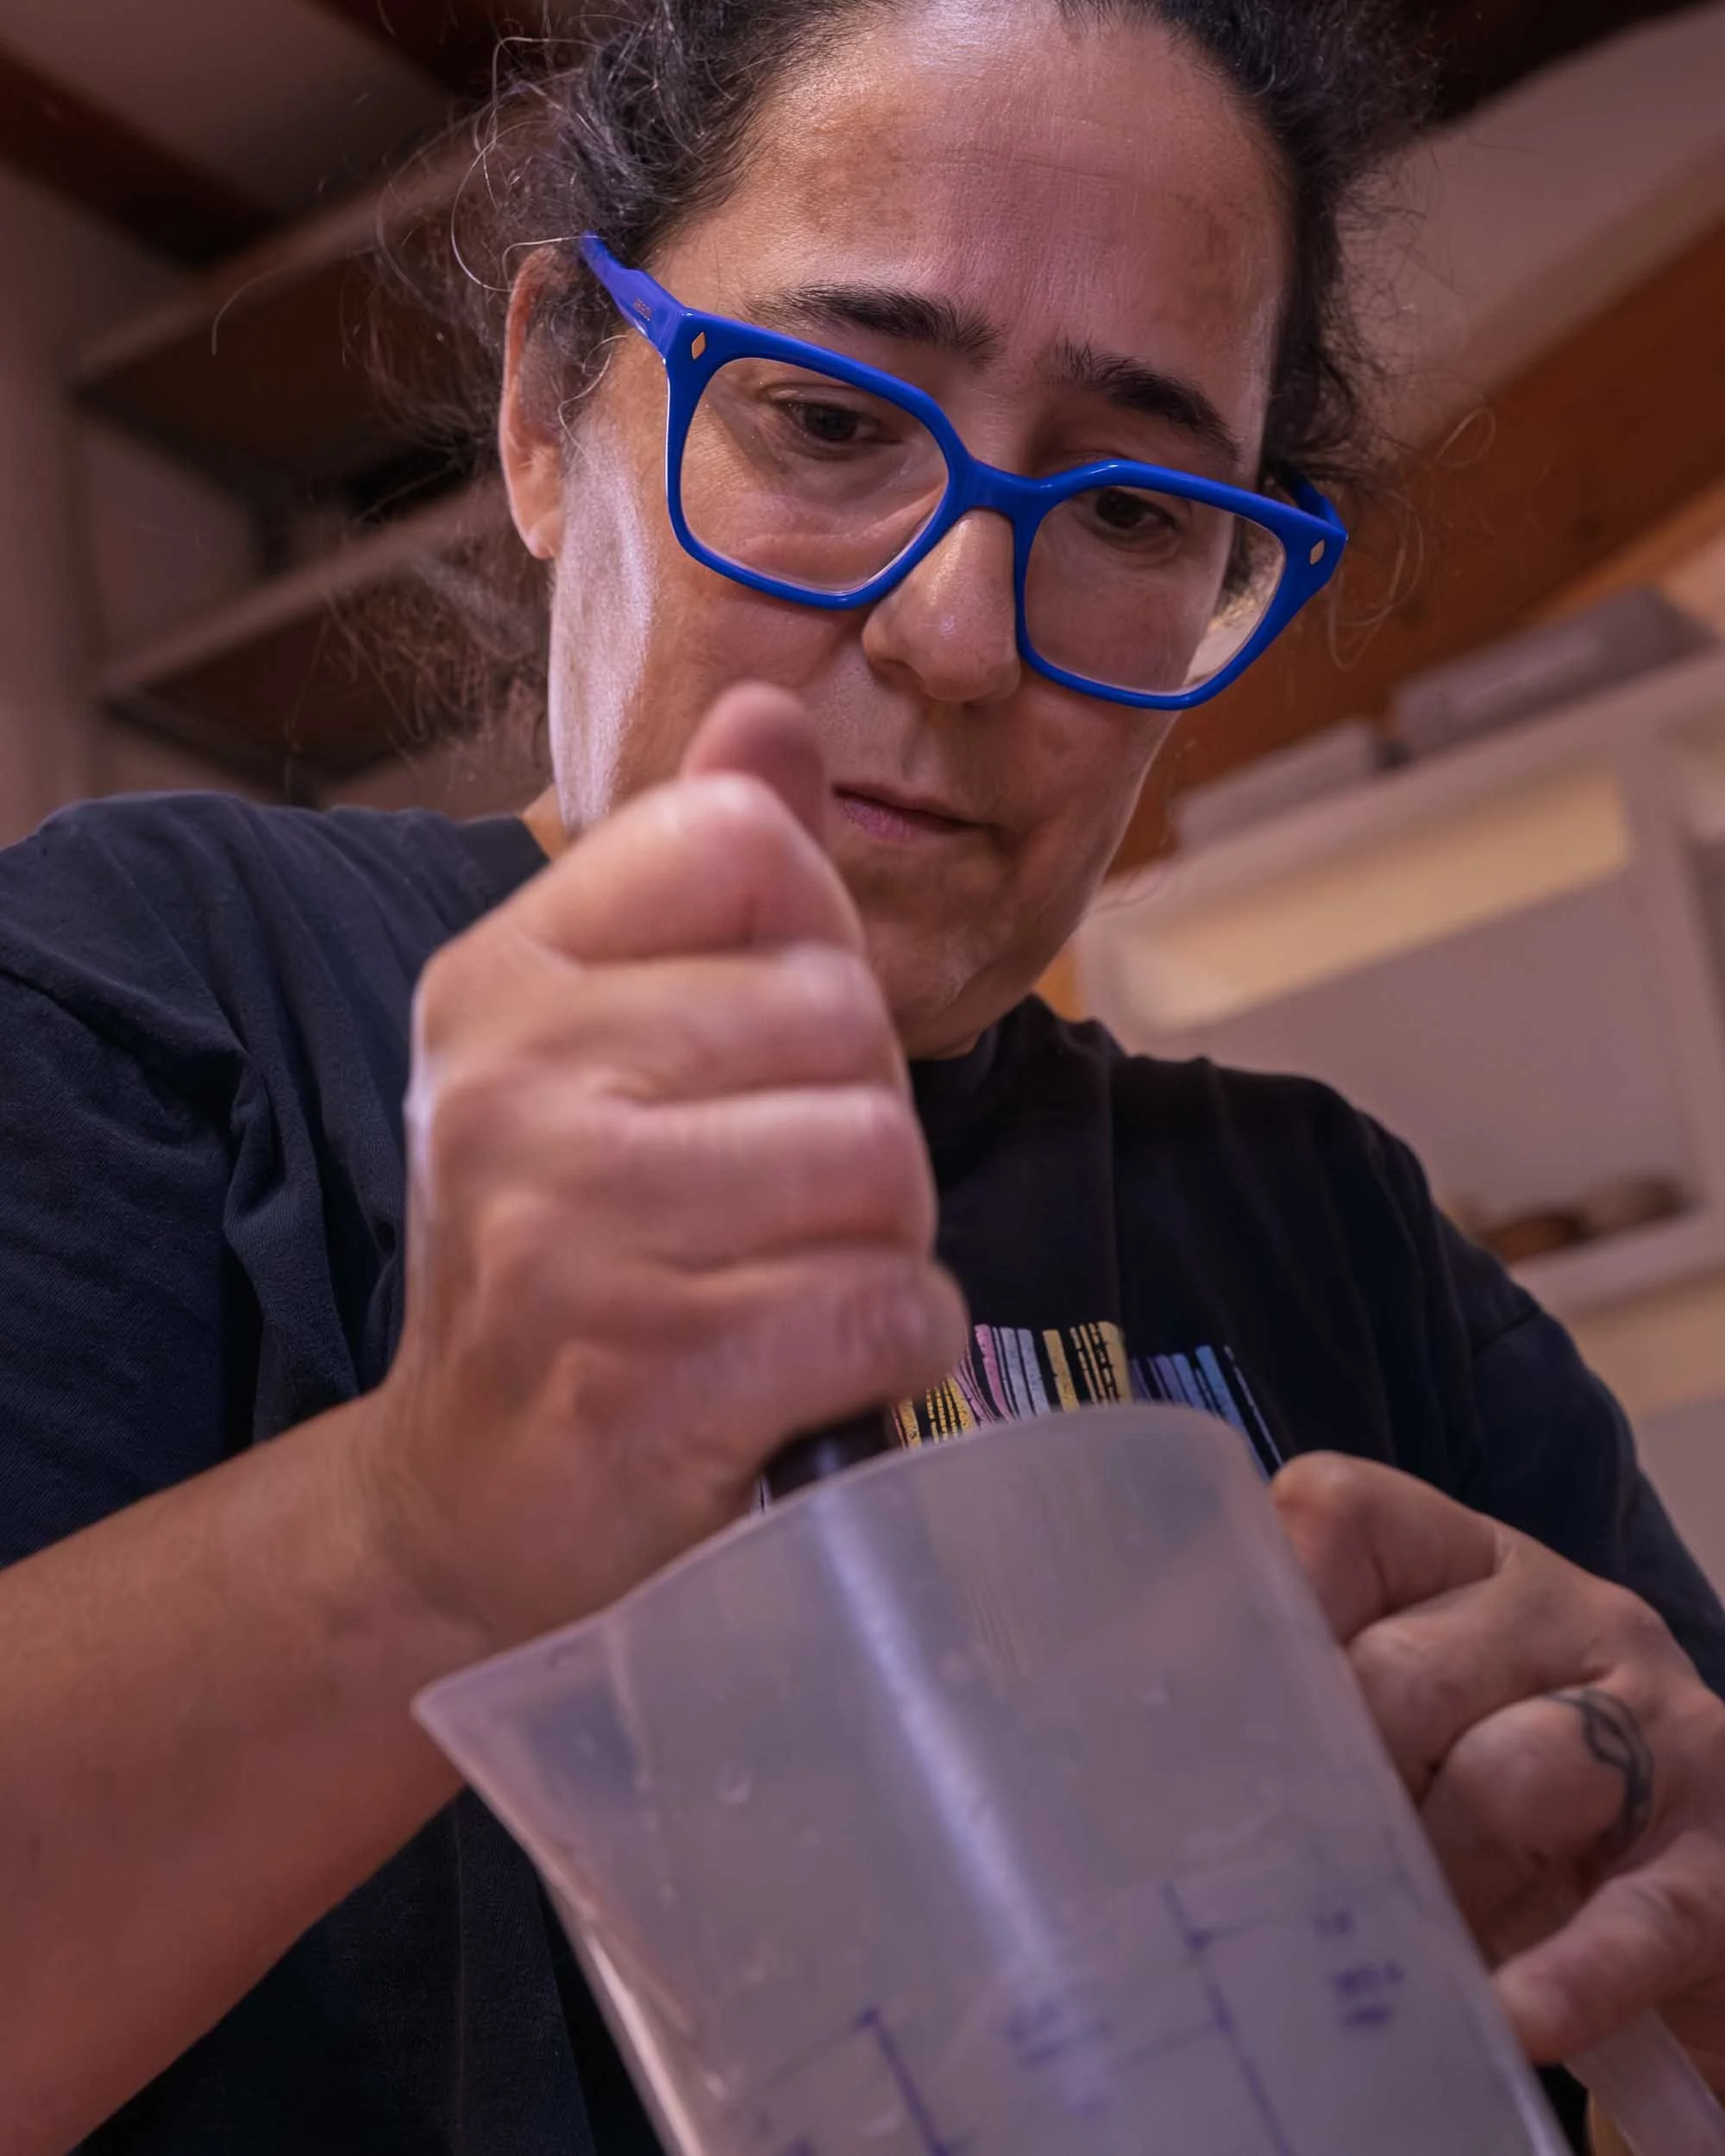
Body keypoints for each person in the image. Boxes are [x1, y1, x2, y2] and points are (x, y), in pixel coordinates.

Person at [2, 2, 1723, 2150]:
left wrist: (1675, 1899)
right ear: (546, 412)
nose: (963, 629)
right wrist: (419, 1525)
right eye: (825, 418)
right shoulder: (163, 994)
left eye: (1131, 506)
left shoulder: (1331, 1226)